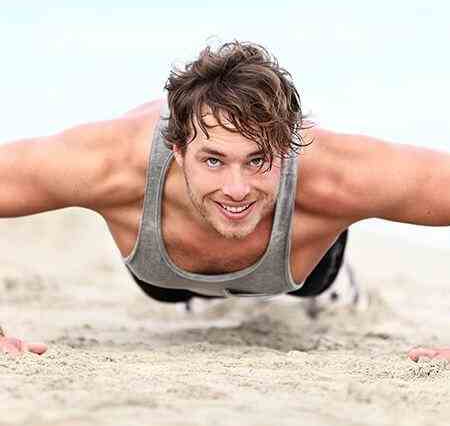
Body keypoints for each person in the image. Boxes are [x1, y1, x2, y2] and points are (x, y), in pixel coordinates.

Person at [0, 41, 449, 363]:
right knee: (180, 293)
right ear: (178, 150)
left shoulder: (337, 175)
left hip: (305, 268)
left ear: (287, 149)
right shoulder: (110, 164)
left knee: (313, 288)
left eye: (258, 160)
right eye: (213, 160)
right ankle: (207, 296)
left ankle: (334, 283)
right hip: (164, 279)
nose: (237, 188)